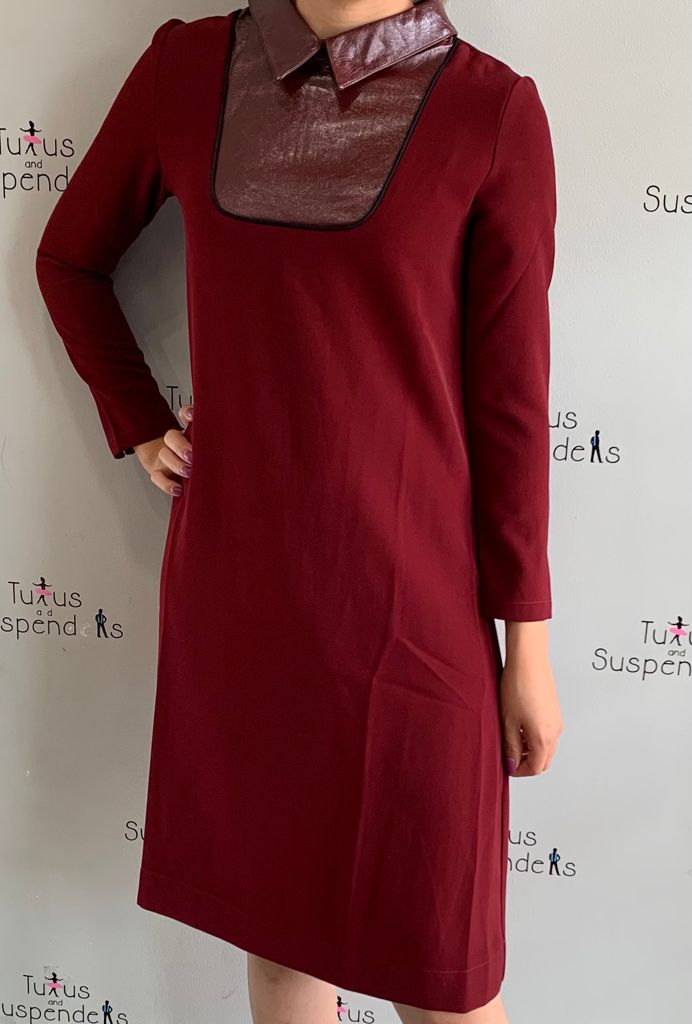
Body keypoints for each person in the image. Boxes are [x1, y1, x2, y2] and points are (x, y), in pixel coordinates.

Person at [34, 0, 564, 1021]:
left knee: (444, 978)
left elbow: (511, 409)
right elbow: (70, 260)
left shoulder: (490, 113)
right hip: (244, 601)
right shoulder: (189, 69)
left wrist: (526, 644)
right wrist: (139, 421)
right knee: (280, 952)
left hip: (417, 622)